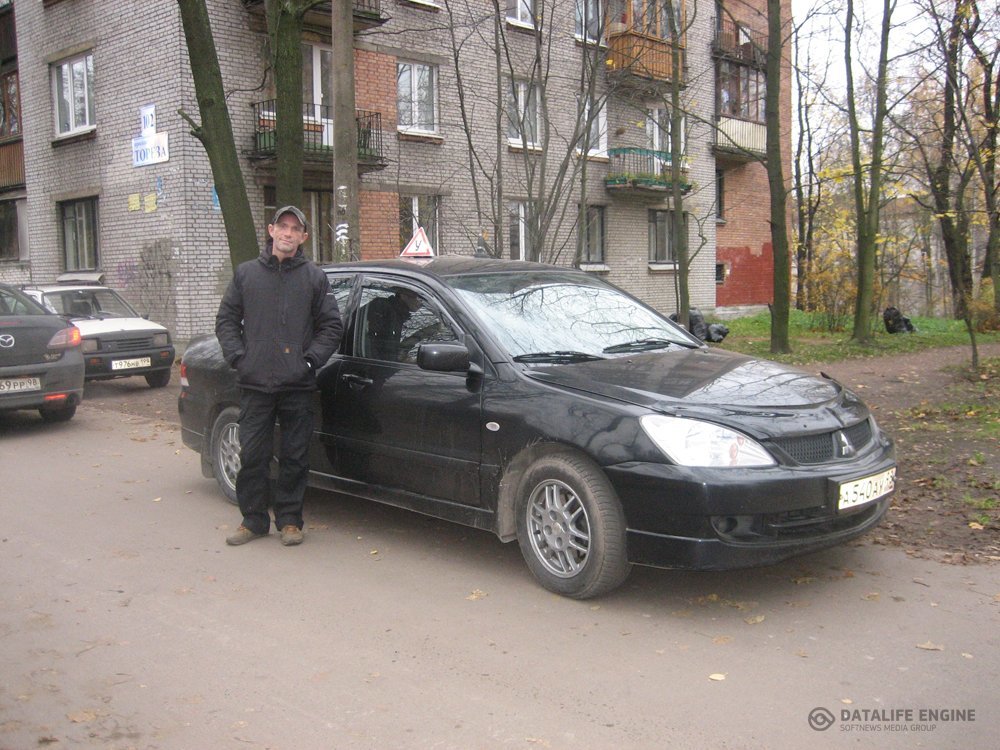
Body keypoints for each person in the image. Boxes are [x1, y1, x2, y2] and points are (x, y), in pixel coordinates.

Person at [215, 206, 343, 547]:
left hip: (297, 385)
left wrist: (310, 360)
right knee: (253, 454)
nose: (287, 233)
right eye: (282, 226)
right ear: (271, 231)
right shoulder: (246, 275)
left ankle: (290, 521)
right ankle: (253, 520)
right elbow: (226, 320)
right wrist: (239, 357)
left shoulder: (314, 277)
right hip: (254, 384)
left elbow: (331, 326)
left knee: (295, 456)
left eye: (295, 229)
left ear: (303, 237)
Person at [364, 286, 423, 361]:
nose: (421, 303)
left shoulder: (399, 314)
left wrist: (400, 357)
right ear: (403, 295)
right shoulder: (382, 308)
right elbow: (369, 342)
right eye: (418, 297)